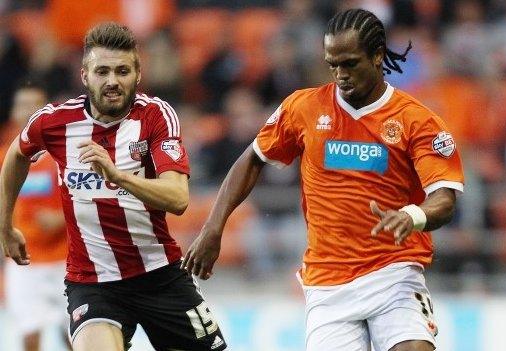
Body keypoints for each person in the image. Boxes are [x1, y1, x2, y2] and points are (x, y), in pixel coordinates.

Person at [184, 8, 464, 351]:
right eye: (333, 64)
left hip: (394, 273)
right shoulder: (303, 108)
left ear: (377, 57)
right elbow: (252, 159)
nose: (340, 74)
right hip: (328, 284)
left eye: (350, 63)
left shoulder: (416, 121)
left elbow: (445, 199)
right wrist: (214, 226)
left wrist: (412, 215)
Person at [0, 23, 227, 351]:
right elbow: (17, 154)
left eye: (122, 71)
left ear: (137, 73)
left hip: (159, 275)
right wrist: (6, 226)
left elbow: (178, 198)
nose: (112, 81)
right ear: (84, 75)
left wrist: (118, 175)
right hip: (93, 282)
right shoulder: (53, 122)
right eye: (102, 71)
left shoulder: (155, 117)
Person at [1, 80, 69, 351]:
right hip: (25, 262)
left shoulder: (65, 155)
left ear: (47, 112)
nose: (28, 110)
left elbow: (90, 199)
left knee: (75, 335)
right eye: (22, 105)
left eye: (35, 105)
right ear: (14, 113)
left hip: (66, 258)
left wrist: (60, 219)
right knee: (30, 335)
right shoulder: (6, 158)